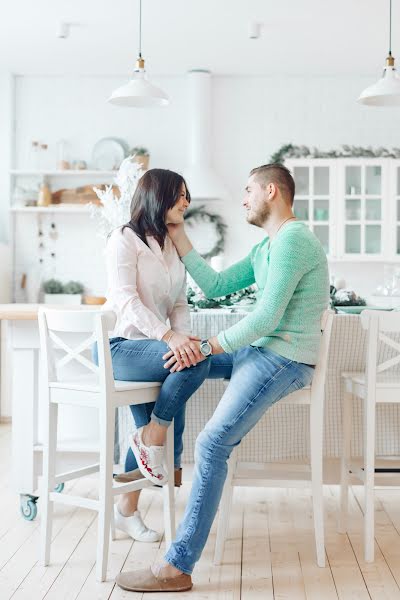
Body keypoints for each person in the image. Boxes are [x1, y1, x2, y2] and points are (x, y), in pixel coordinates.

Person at [115, 163, 330, 593]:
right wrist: (177, 233)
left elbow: (266, 316)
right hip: (263, 351)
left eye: (249, 190)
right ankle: (146, 457)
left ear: (272, 191)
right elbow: (214, 286)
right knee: (176, 365)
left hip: (283, 360)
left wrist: (209, 345)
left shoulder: (293, 240)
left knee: (211, 443)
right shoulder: (267, 248)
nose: (244, 198)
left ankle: (178, 566)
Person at [98, 168, 210, 543]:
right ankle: (155, 433)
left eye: (186, 195)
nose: (186, 202)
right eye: (180, 195)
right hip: (121, 349)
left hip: (152, 349)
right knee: (198, 358)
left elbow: (179, 300)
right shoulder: (123, 240)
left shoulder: (170, 244)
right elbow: (126, 302)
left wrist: (181, 333)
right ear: (158, 196)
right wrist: (169, 336)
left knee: (192, 356)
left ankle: (125, 510)